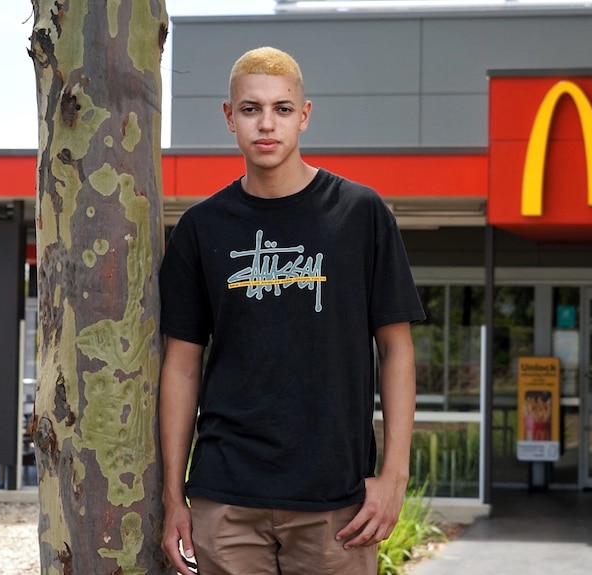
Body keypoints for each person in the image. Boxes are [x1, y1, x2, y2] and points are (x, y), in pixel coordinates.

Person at [158, 46, 425, 575]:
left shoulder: (360, 214)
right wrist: (173, 496)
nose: (266, 123)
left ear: (304, 115)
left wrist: (394, 478)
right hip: (226, 496)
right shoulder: (200, 228)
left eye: (282, 109)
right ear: (229, 117)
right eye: (251, 108)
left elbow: (396, 349)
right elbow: (182, 364)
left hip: (337, 502)